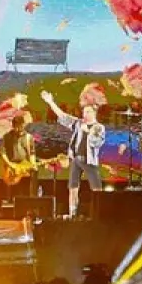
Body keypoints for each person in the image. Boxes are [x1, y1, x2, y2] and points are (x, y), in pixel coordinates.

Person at [41, 91, 105, 219]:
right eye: (84, 112)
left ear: (94, 113)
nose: (85, 115)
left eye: (88, 112)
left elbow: (97, 143)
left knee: (97, 189)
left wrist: (88, 132)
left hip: (89, 161)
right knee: (73, 188)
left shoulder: (98, 127)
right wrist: (50, 102)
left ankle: (99, 213)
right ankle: (72, 214)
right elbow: (63, 116)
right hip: (76, 160)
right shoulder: (78, 123)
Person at [0, 113, 38, 201]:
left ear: (23, 125)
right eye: (16, 127)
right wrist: (10, 164)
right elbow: (3, 152)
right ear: (13, 126)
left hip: (24, 169)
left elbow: (32, 153)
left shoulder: (29, 137)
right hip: (11, 170)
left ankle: (25, 207)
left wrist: (33, 164)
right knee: (11, 195)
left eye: (20, 126)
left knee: (25, 194)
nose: (18, 129)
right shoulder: (7, 137)